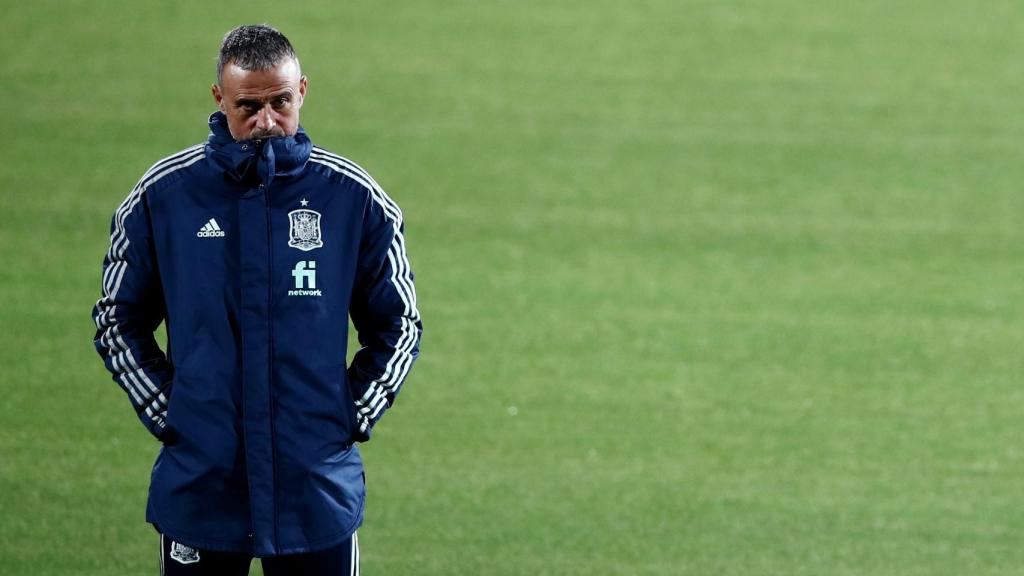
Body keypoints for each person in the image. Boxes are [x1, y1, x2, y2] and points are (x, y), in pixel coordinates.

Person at [91, 24, 422, 575]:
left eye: (281, 102)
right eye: (249, 106)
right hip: (203, 488)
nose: (267, 121)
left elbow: (400, 325)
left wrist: (351, 412)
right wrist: (168, 408)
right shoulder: (161, 197)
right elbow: (116, 320)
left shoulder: (354, 199)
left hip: (314, 491)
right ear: (219, 99)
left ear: (303, 91)